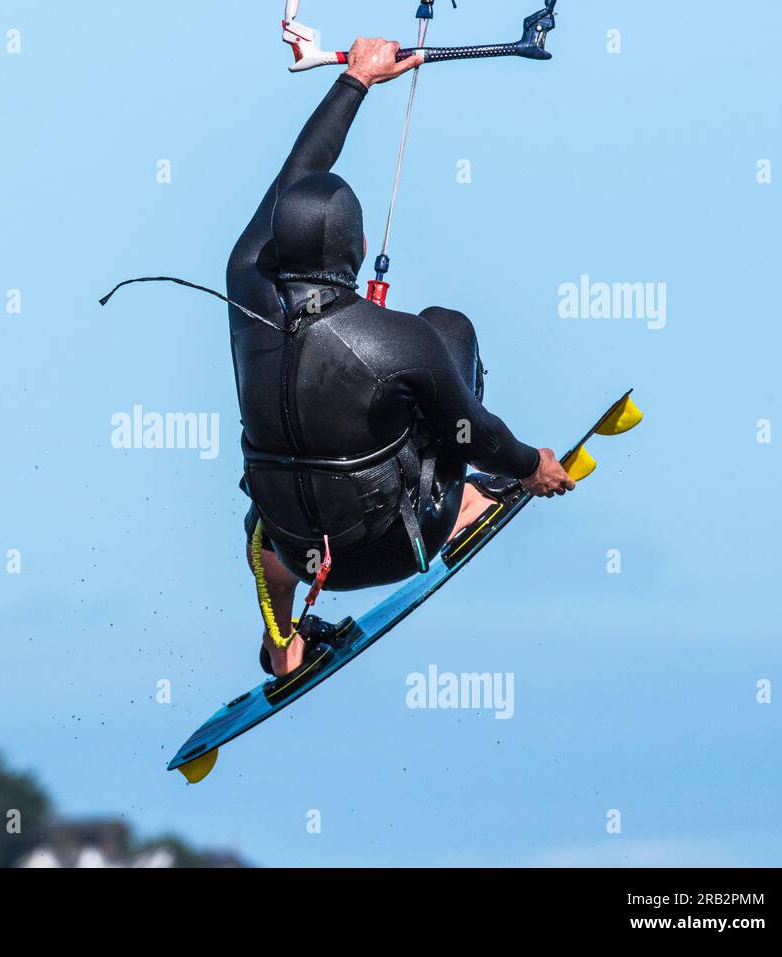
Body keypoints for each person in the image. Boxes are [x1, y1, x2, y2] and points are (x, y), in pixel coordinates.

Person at [227, 37, 575, 678]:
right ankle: (466, 507)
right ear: (358, 245)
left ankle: (284, 645)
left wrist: (354, 80)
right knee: (450, 329)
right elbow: (477, 436)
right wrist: (532, 467)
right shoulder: (401, 340)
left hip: (299, 551)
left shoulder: (243, 283)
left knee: (273, 485)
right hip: (393, 548)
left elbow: (295, 173)